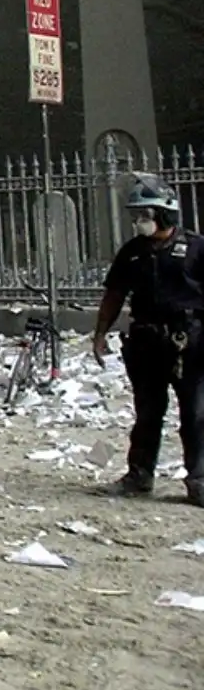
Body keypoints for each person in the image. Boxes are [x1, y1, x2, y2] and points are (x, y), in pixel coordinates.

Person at [90, 173, 204, 507]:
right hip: (146, 343)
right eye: (136, 216)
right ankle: (139, 475)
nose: (139, 222)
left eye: (145, 215)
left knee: (196, 414)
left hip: (191, 344)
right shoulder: (133, 252)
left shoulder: (196, 248)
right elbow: (114, 294)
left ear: (163, 214)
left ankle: (198, 480)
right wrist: (100, 333)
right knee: (147, 413)